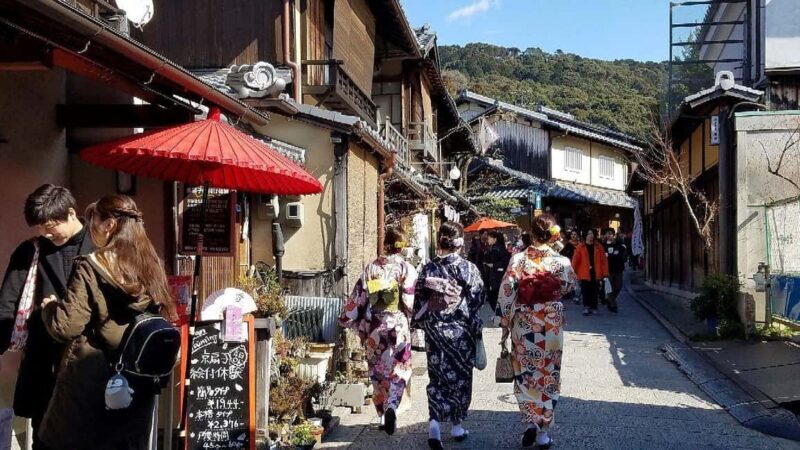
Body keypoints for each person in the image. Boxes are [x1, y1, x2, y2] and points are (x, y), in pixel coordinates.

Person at [39, 195, 176, 450]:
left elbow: (66, 326)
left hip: (92, 382)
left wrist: (50, 309)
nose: (91, 229)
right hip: (137, 381)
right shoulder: (152, 265)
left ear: (110, 225)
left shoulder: (91, 266)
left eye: (95, 221)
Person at [0, 184, 94, 450]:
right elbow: (7, 302)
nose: (46, 234)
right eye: (40, 229)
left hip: (89, 359)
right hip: (45, 360)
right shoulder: (30, 251)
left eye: (51, 226)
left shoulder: (99, 246)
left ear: (71, 213)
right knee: (45, 434)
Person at [497, 214, 576, 448]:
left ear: (531, 234)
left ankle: (530, 422)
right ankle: (543, 432)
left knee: (525, 372)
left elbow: (507, 290)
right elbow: (570, 286)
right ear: (552, 235)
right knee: (549, 372)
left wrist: (503, 319)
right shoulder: (561, 262)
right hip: (551, 322)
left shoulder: (519, 260)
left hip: (524, 322)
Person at [339, 228, 418, 435]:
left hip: (375, 326)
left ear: (386, 244)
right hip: (398, 327)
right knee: (399, 369)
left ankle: (382, 415)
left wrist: (347, 318)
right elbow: (410, 300)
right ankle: (392, 405)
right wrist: (417, 317)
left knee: (378, 371)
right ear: (402, 246)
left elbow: (359, 297)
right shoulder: (405, 268)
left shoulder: (371, 268)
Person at [413, 222, 484, 450]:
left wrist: (422, 321)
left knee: (438, 376)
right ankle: (456, 425)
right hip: (460, 332)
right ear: (460, 242)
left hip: (435, 331)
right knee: (461, 377)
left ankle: (434, 424)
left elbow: (420, 299)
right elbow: (477, 299)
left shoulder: (428, 269)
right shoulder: (468, 268)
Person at [571, 229, 609, 316]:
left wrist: (605, 272)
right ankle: (587, 306)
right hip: (584, 272)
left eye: (592, 234)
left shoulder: (599, 246)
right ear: (585, 236)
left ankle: (594, 306)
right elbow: (575, 260)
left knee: (595, 290)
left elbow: (604, 260)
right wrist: (573, 271)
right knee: (585, 290)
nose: (591, 235)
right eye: (589, 234)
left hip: (596, 271)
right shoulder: (580, 247)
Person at [483, 230, 511, 315]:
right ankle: (498, 315)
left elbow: (505, 262)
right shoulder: (492, 248)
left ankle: (500, 315)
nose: (487, 240)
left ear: (495, 239)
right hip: (492, 277)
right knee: (494, 298)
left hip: (496, 277)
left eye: (489, 238)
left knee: (495, 298)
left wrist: (493, 265)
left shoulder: (498, 249)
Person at [604, 233, 627, 313]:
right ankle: (613, 304)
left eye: (612, 235)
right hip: (608, 270)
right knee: (610, 287)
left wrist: (611, 256)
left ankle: (610, 299)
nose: (610, 236)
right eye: (608, 234)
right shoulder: (604, 246)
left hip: (619, 270)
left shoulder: (620, 246)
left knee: (618, 287)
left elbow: (623, 256)